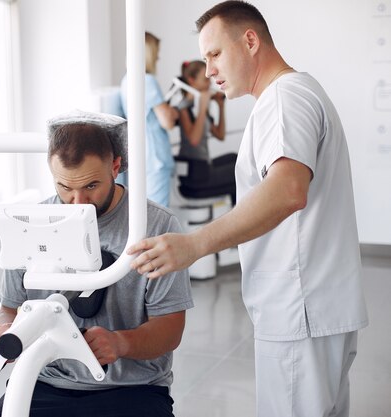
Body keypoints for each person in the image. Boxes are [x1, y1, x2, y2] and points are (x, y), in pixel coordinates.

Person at [128, 2, 368, 416]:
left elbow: (288, 190)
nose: (209, 71)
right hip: (315, 306)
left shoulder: (284, 98)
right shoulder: (295, 92)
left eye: (215, 54)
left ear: (250, 40)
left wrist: (194, 244)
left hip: (299, 309)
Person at [0, 110, 194, 417]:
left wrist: (122, 343)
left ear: (116, 166)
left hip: (132, 389)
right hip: (45, 382)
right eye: (65, 188)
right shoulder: (31, 224)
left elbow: (170, 330)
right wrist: (6, 331)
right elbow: (8, 309)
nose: (78, 202)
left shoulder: (156, 227)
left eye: (91, 186)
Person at [120, 32, 179, 207]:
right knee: (158, 214)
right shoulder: (147, 81)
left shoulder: (126, 81)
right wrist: (174, 112)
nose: (158, 58)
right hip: (156, 158)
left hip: (142, 156)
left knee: (146, 212)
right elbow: (167, 121)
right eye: (156, 53)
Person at [175, 59, 237, 205]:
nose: (209, 84)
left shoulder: (201, 106)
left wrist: (220, 107)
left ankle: (238, 214)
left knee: (235, 158)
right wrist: (203, 106)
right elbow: (194, 141)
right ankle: (240, 219)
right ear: (191, 80)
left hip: (204, 168)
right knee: (239, 170)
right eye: (205, 80)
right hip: (194, 176)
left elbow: (220, 135)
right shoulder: (183, 108)